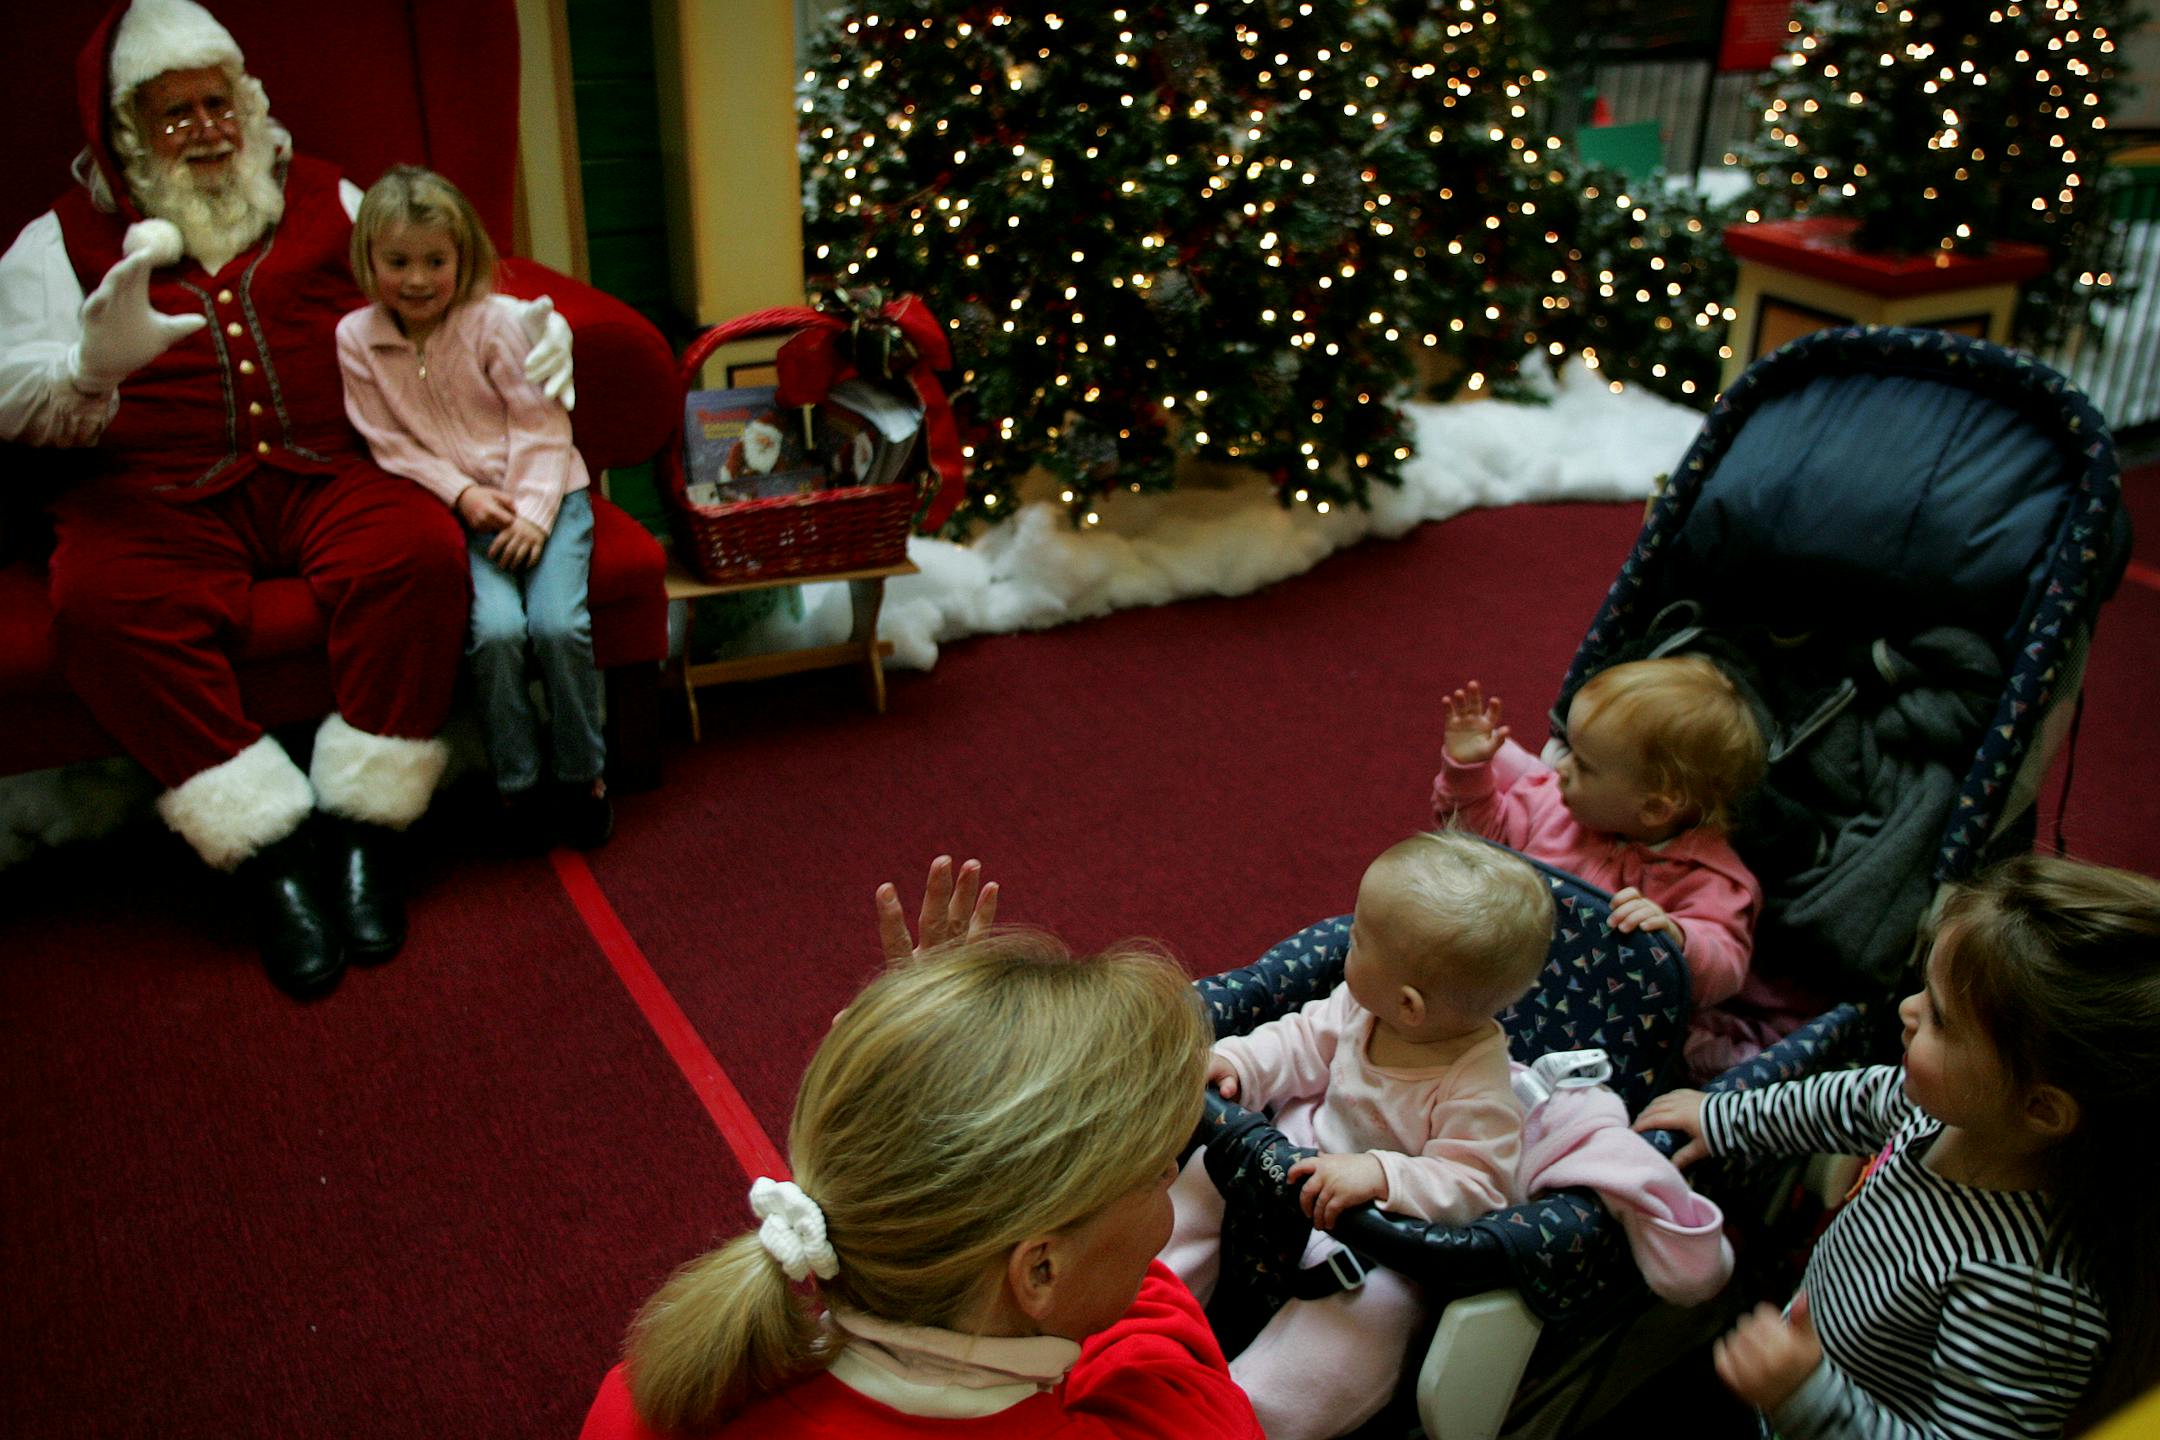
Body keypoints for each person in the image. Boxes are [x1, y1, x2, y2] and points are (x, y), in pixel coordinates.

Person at [0, 0, 575, 998]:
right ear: (130, 135)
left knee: (414, 555)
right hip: (152, 494)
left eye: (217, 103)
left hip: (331, 468)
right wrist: (90, 370)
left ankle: (366, 833)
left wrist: (529, 322)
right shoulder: (55, 243)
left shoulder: (329, 196)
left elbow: (440, 283)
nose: (206, 130)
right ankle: (271, 856)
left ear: (248, 103)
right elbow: (12, 395)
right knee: (101, 609)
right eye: (173, 114)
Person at [578, 855, 1263, 1440]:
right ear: (1041, 1272)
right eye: (1150, 1174)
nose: (1171, 1174)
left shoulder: (650, 1398)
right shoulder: (1171, 1420)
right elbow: (1158, 1349)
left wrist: (915, 1091)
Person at [1634, 853, 2160, 1440]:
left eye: (1941, 1018)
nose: (1908, 1011)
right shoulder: (1945, 1113)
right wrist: (1725, 1117)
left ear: (2042, 1108)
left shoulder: (2029, 1295)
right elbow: (1851, 1101)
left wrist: (1805, 1396)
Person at [1160, 829, 1555, 1440]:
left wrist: (1381, 1175)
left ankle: (1251, 1417)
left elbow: (1478, 1184)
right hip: (1292, 1158)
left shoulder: (1477, 1086)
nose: (1346, 941)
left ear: (1410, 1006)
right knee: (1199, 1184)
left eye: (1359, 939)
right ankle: (1142, 1306)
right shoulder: (1360, 1004)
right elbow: (1298, 1041)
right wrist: (1240, 1064)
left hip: (1379, 1242)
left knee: (1361, 1330)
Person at [338, 167, 609, 850]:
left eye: (436, 261)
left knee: (555, 626)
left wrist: (533, 514)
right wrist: (462, 495)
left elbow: (542, 424)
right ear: (370, 260)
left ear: (464, 259)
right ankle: (517, 784)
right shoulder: (357, 339)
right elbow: (388, 441)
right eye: (398, 262)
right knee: (494, 634)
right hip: (466, 513)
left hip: (549, 497)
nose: (419, 279)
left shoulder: (496, 324)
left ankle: (584, 777)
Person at [1433, 659, 1767, 1078]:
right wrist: (1468, 774)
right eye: (1568, 749)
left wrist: (1677, 935)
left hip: (1598, 1035)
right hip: (1493, 988)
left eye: (1583, 764)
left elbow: (1725, 968)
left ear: (1654, 806)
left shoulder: (1708, 877)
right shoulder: (1554, 805)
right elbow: (1476, 845)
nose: (1560, 767)